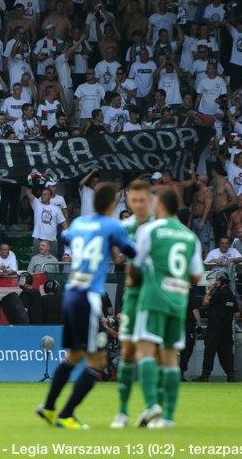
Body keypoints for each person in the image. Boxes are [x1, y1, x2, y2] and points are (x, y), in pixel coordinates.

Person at [37, 182, 136, 430]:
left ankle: (49, 408)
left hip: (71, 293)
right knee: (98, 361)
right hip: (88, 296)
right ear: (113, 205)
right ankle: (66, 414)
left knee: (74, 355)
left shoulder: (80, 224)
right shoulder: (112, 224)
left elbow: (64, 236)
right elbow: (130, 250)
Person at [130, 188, 204, 428]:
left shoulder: (149, 230)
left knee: (145, 350)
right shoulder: (189, 236)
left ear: (161, 205)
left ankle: (152, 405)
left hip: (153, 298)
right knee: (171, 357)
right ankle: (169, 417)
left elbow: (137, 265)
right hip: (178, 301)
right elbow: (196, 275)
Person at [111, 179, 153, 429]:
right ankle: (153, 407)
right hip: (149, 294)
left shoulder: (128, 226)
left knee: (131, 352)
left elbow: (114, 253)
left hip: (139, 293)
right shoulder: (160, 225)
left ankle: (125, 412)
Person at [193, 275, 238, 382]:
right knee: (226, 353)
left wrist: (209, 290)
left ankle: (205, 375)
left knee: (209, 352)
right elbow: (237, 313)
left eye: (217, 281)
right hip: (227, 328)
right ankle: (230, 376)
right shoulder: (231, 295)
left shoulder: (218, 293)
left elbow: (205, 302)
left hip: (214, 327)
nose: (215, 282)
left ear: (221, 282)